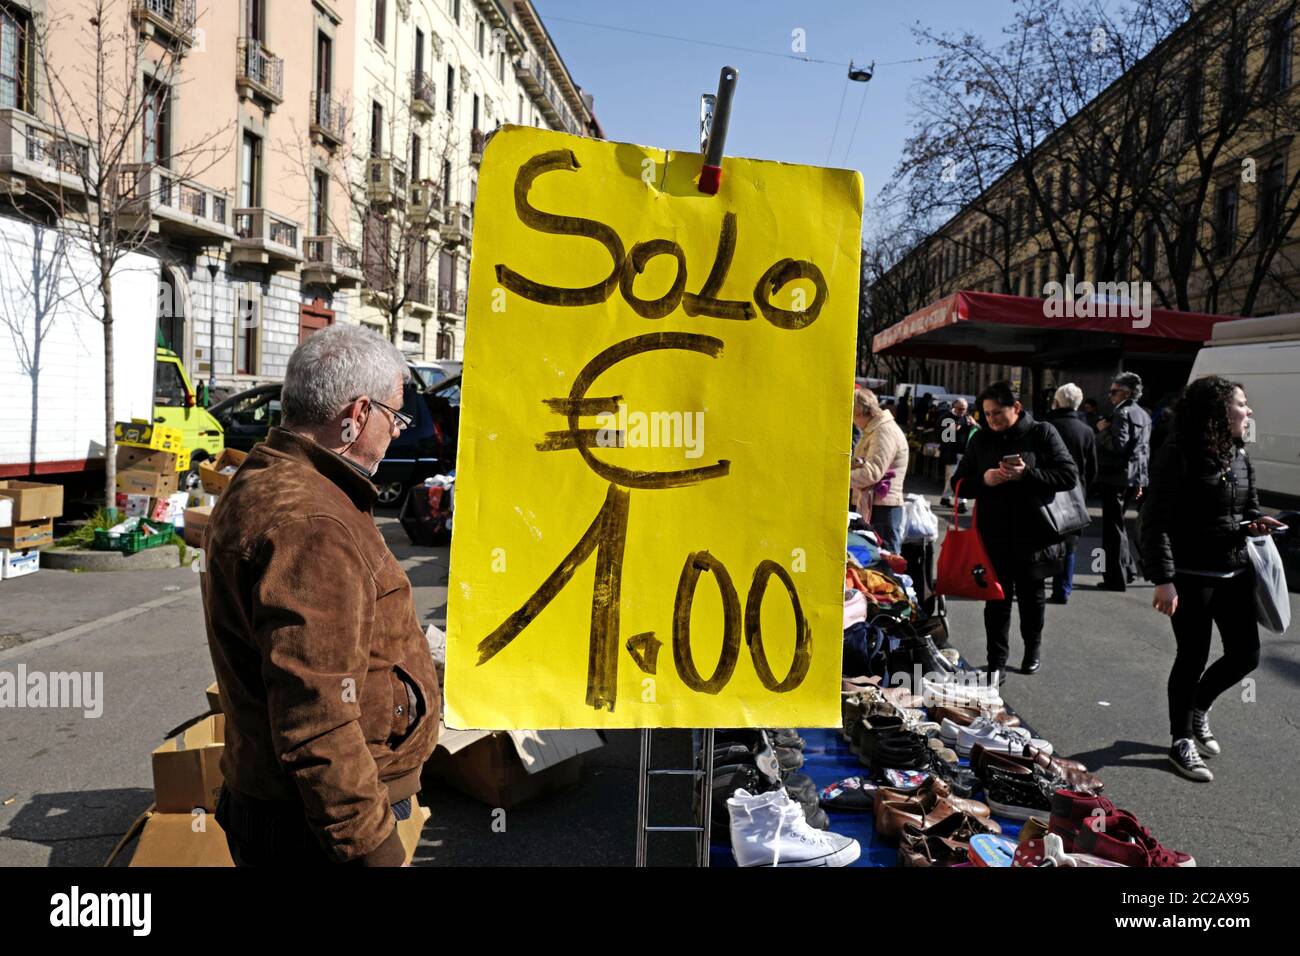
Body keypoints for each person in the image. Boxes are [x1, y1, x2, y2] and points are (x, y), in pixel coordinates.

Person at [202, 324, 441, 866]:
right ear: (356, 416)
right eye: (395, 417)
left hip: (291, 809)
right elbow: (320, 717)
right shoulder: (310, 520)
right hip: (312, 827)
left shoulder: (281, 480)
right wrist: (372, 849)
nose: (399, 433)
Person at [1140, 376, 1284, 783]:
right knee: (1192, 656)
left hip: (1235, 571)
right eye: (1242, 404)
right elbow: (1155, 521)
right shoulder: (1177, 452)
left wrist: (1256, 524)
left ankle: (1198, 707)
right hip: (1190, 576)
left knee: (1246, 655)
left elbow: (1247, 506)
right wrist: (1163, 579)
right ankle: (1180, 740)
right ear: (1219, 411)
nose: (1249, 411)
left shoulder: (1238, 453)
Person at [952, 381, 1078, 684]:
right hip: (993, 535)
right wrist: (985, 479)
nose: (992, 420)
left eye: (998, 413)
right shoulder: (980, 439)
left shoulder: (1042, 433)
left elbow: (1068, 474)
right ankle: (996, 662)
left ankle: (1032, 650)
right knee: (996, 600)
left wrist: (1027, 474)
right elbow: (960, 483)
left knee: (1032, 599)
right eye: (987, 414)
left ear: (1017, 408)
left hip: (1034, 534)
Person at [1095, 371, 1151, 591]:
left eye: (1114, 391)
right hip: (1133, 477)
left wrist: (1102, 431)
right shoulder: (1143, 414)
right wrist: (1140, 480)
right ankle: (1126, 572)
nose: (1111, 396)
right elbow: (1143, 451)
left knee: (1112, 528)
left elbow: (1119, 445)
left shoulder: (1122, 413)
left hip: (1116, 477)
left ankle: (1115, 578)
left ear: (1126, 392)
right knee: (1118, 527)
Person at [1046, 383, 1098, 604]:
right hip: (1076, 493)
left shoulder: (1046, 426)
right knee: (1069, 545)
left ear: (1057, 401)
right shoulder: (1086, 431)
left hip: (1047, 490)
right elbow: (1092, 468)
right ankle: (1063, 590)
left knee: (1042, 541)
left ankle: (1034, 583)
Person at [850, 388, 910, 553]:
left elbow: (872, 472)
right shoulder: (875, 429)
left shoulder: (883, 431)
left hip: (882, 508)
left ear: (861, 412)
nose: (853, 421)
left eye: (853, 415)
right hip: (877, 506)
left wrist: (840, 478)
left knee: (885, 560)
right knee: (876, 559)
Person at [938, 397, 977, 513]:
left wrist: (974, 424)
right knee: (955, 477)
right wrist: (952, 429)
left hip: (964, 452)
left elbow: (977, 430)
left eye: (964, 409)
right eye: (960, 409)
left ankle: (947, 498)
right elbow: (945, 438)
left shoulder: (967, 417)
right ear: (954, 406)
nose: (962, 411)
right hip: (952, 453)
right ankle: (961, 502)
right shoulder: (947, 417)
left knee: (957, 477)